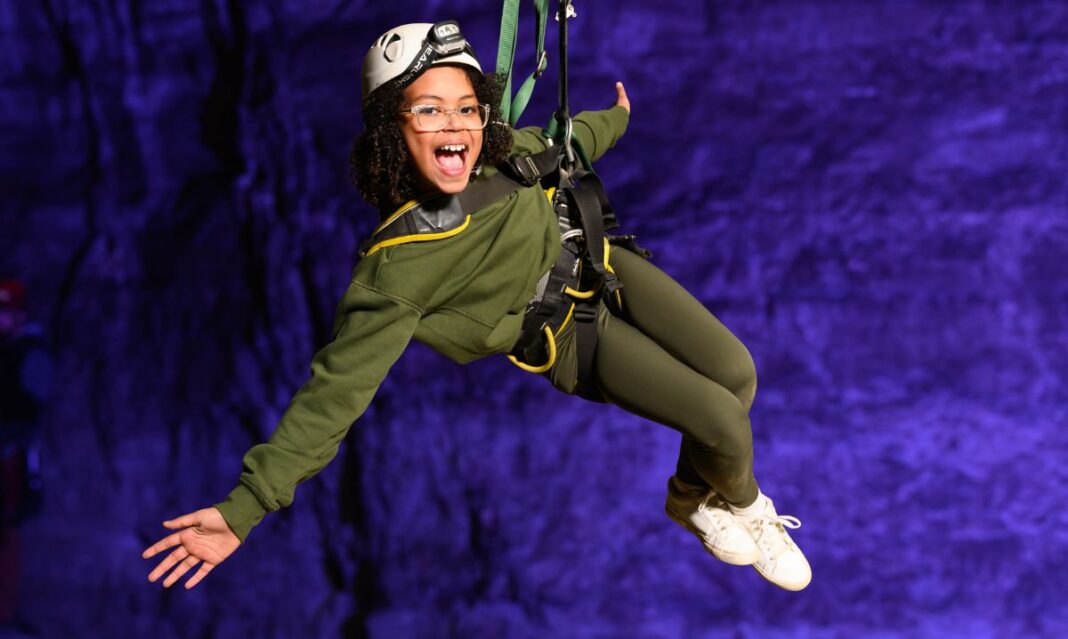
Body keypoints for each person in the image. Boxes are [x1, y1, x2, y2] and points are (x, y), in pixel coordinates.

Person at [143, 20, 811, 593]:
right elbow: (333, 396)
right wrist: (244, 508)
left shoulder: (501, 153)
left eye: (465, 107)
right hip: (571, 336)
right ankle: (741, 505)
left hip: (600, 265)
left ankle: (693, 494)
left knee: (738, 372)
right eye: (427, 110)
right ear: (390, 129)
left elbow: (563, 147)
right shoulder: (398, 264)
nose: (453, 124)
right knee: (723, 420)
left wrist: (618, 118)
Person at [0, 279, 49, 635]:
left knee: (6, 532)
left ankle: (3, 614)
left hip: (10, 458)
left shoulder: (28, 353)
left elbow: (30, 409)